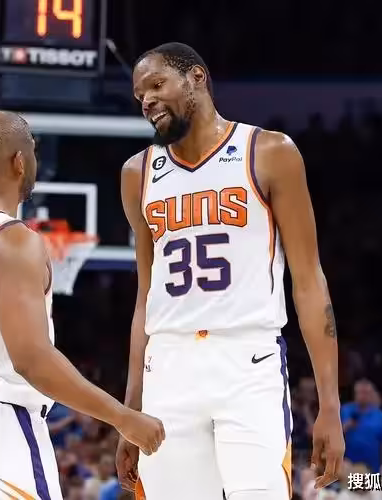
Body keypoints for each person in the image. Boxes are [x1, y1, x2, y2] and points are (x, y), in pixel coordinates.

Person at [0, 110, 165, 500]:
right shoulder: (12, 240)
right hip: (0, 427)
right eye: (33, 151)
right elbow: (32, 360)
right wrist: (122, 418)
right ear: (19, 162)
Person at [118, 42, 344, 500]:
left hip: (248, 360)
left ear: (196, 78)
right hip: (168, 364)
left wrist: (330, 403)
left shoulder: (269, 152)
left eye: (157, 85)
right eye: (140, 95)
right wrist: (130, 407)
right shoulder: (136, 173)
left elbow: (308, 281)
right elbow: (145, 296)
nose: (147, 100)